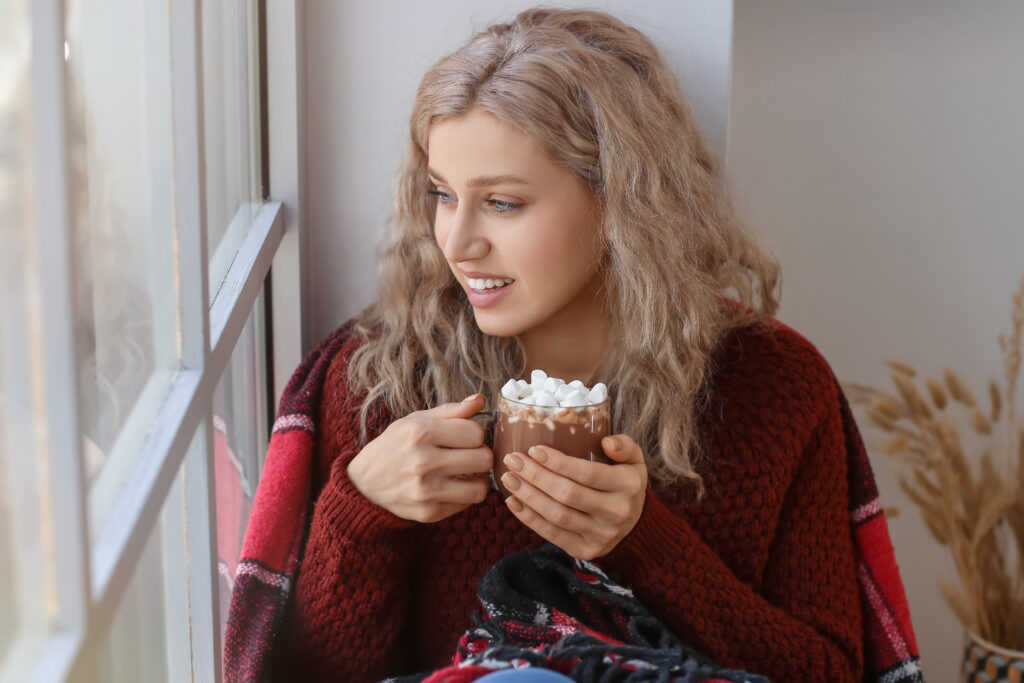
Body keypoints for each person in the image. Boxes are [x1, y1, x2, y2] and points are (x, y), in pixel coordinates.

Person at [257, 8, 914, 682]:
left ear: (619, 202)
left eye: (503, 203)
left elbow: (831, 672)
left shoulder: (774, 389)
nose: (456, 243)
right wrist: (362, 508)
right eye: (443, 195)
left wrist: (646, 546)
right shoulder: (384, 382)